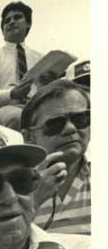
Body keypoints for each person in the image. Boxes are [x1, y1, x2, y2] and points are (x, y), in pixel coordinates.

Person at [22, 79, 91, 235]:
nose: (70, 128)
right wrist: (32, 202)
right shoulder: (8, 188)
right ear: (29, 137)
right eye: (55, 124)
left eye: (80, 119)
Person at [0, 1, 45, 128]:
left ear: (28, 24)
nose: (11, 22)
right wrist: (11, 94)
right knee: (18, 118)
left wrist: (47, 84)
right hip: (2, 111)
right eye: (7, 20)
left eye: (17, 17)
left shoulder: (40, 58)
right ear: (3, 31)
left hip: (35, 109)